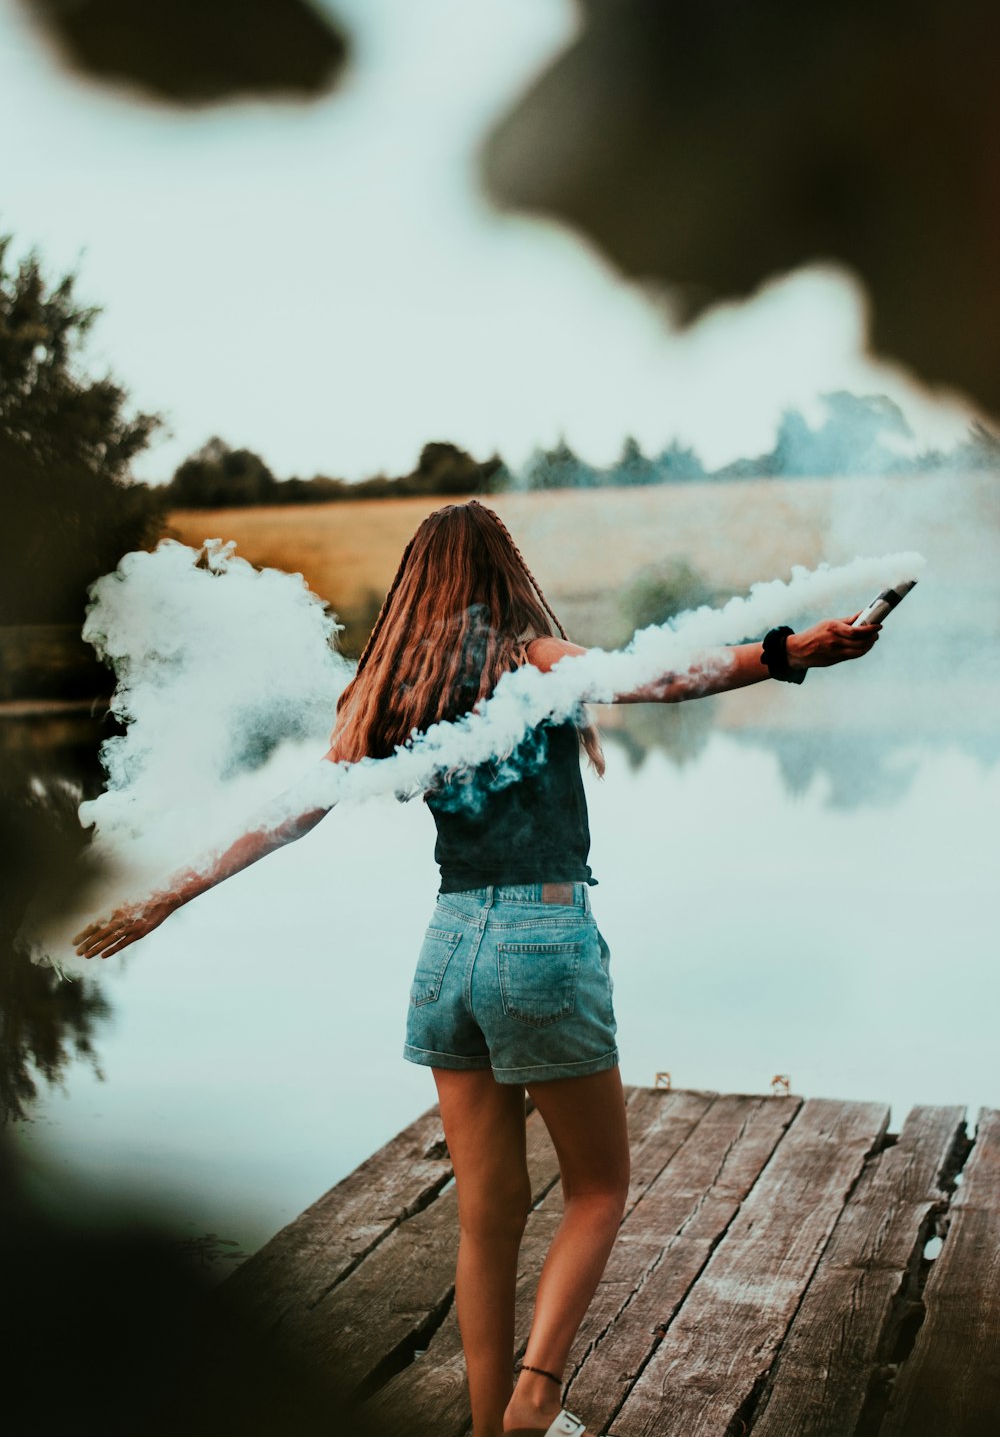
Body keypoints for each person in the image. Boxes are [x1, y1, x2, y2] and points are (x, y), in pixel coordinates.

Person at [74, 500, 880, 1437]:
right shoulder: (530, 663)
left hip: (448, 947)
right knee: (599, 1189)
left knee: (484, 1219)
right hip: (541, 938)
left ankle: (490, 1421)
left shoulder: (393, 693)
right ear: (507, 576)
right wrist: (785, 653)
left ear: (420, 585)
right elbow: (659, 678)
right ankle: (535, 1401)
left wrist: (168, 893)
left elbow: (297, 808)